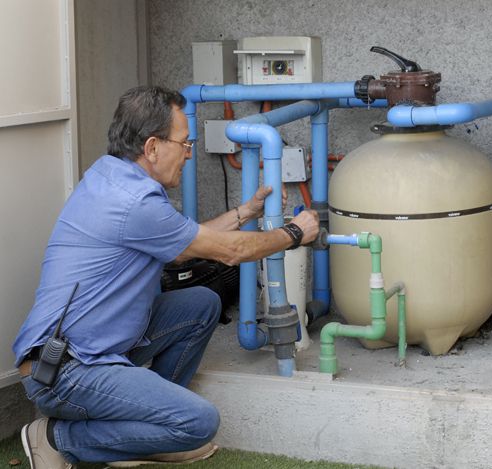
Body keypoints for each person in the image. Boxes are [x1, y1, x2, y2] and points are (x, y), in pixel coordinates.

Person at [12, 85, 319, 469]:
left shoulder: (112, 176)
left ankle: (142, 428)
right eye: (184, 144)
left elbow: (188, 242)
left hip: (93, 347)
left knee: (201, 303)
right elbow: (229, 251)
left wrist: (246, 211)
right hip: (66, 370)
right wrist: (294, 234)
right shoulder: (134, 203)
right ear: (153, 147)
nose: (188, 155)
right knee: (199, 422)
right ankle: (56, 438)